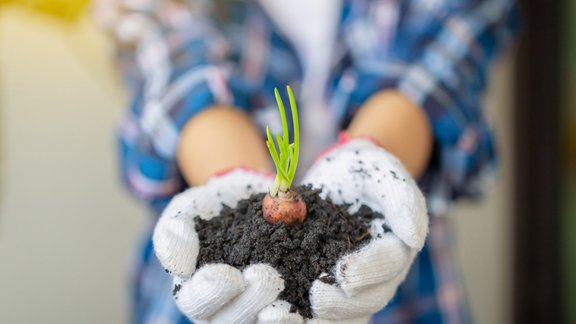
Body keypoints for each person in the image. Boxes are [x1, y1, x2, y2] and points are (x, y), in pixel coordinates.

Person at [94, 0, 518, 322]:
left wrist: (369, 161)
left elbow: (448, 53)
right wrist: (230, 173)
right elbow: (167, 50)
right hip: (213, 296)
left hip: (401, 288)